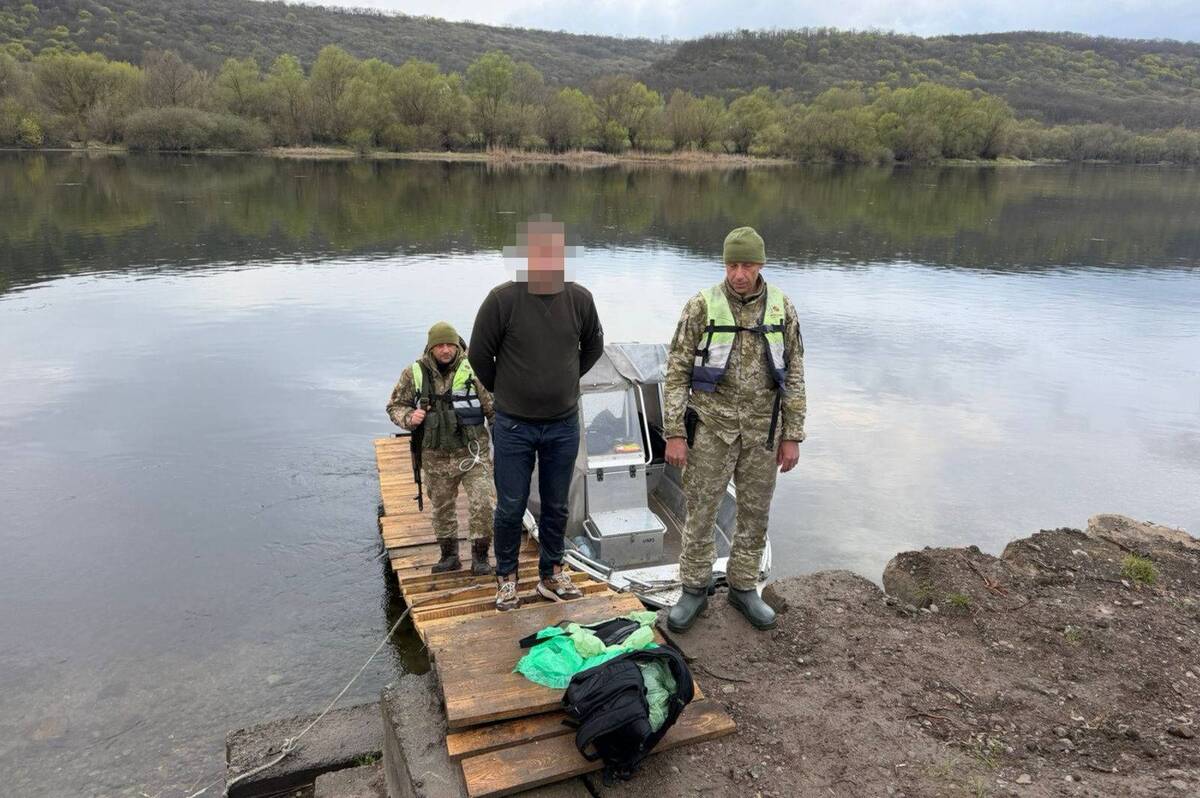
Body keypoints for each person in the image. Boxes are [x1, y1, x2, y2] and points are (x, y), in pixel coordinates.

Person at [662, 226, 806, 632]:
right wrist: (674, 431)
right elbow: (675, 373)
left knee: (755, 513)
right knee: (701, 509)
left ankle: (744, 587)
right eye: (732, 264)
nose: (738, 273)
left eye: (746, 265)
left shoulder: (782, 308)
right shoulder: (700, 307)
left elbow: (794, 374)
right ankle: (693, 588)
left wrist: (792, 434)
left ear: (760, 265)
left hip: (764, 431)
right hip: (711, 427)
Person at [469, 217, 605, 611]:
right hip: (514, 425)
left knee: (556, 503)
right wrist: (512, 390)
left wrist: (562, 380)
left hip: (563, 424)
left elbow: (593, 347)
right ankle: (507, 577)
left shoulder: (580, 299)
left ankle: (551, 573)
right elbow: (479, 356)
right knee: (511, 505)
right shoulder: (502, 300)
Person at [386, 322, 496, 575]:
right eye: (440, 345)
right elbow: (395, 406)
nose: (445, 350)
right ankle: (449, 556)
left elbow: (493, 409)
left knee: (483, 501)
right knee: (442, 507)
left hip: (473, 453)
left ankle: (480, 556)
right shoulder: (413, 373)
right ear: (431, 347)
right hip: (435, 455)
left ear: (457, 346)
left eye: (450, 345)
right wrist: (408, 417)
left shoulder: (475, 369)